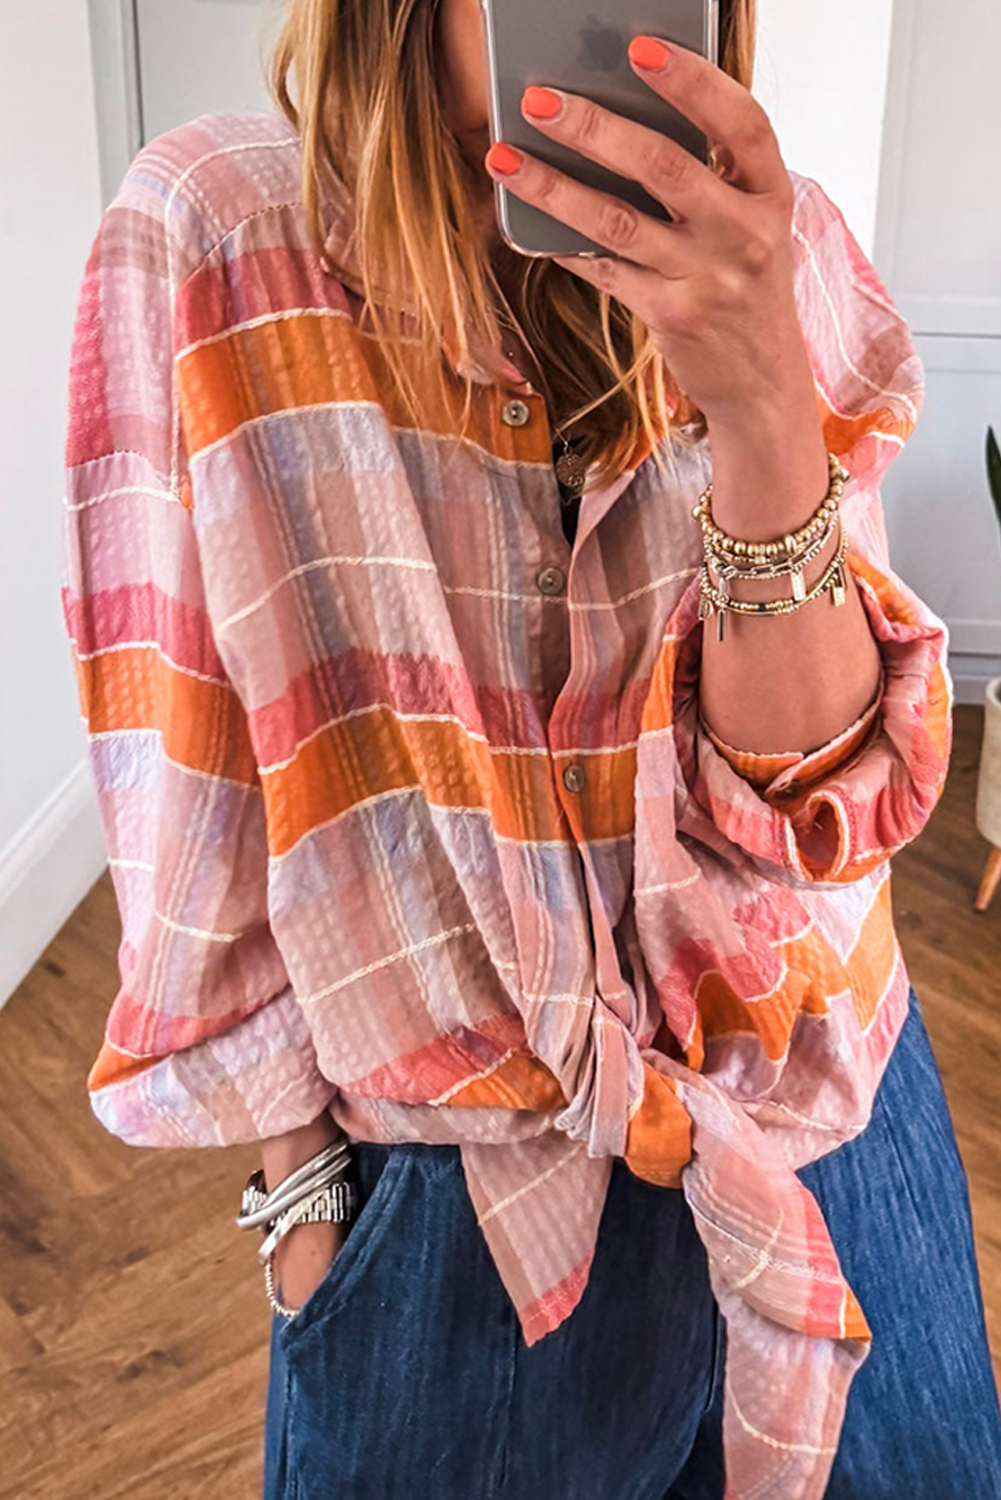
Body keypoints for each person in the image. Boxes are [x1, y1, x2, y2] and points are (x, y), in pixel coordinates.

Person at [58, 0, 1001, 1496]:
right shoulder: (221, 234)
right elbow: (185, 774)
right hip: (452, 1205)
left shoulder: (782, 250)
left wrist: (763, 407)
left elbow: (812, 801)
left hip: (827, 1120)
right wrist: (304, 1203)